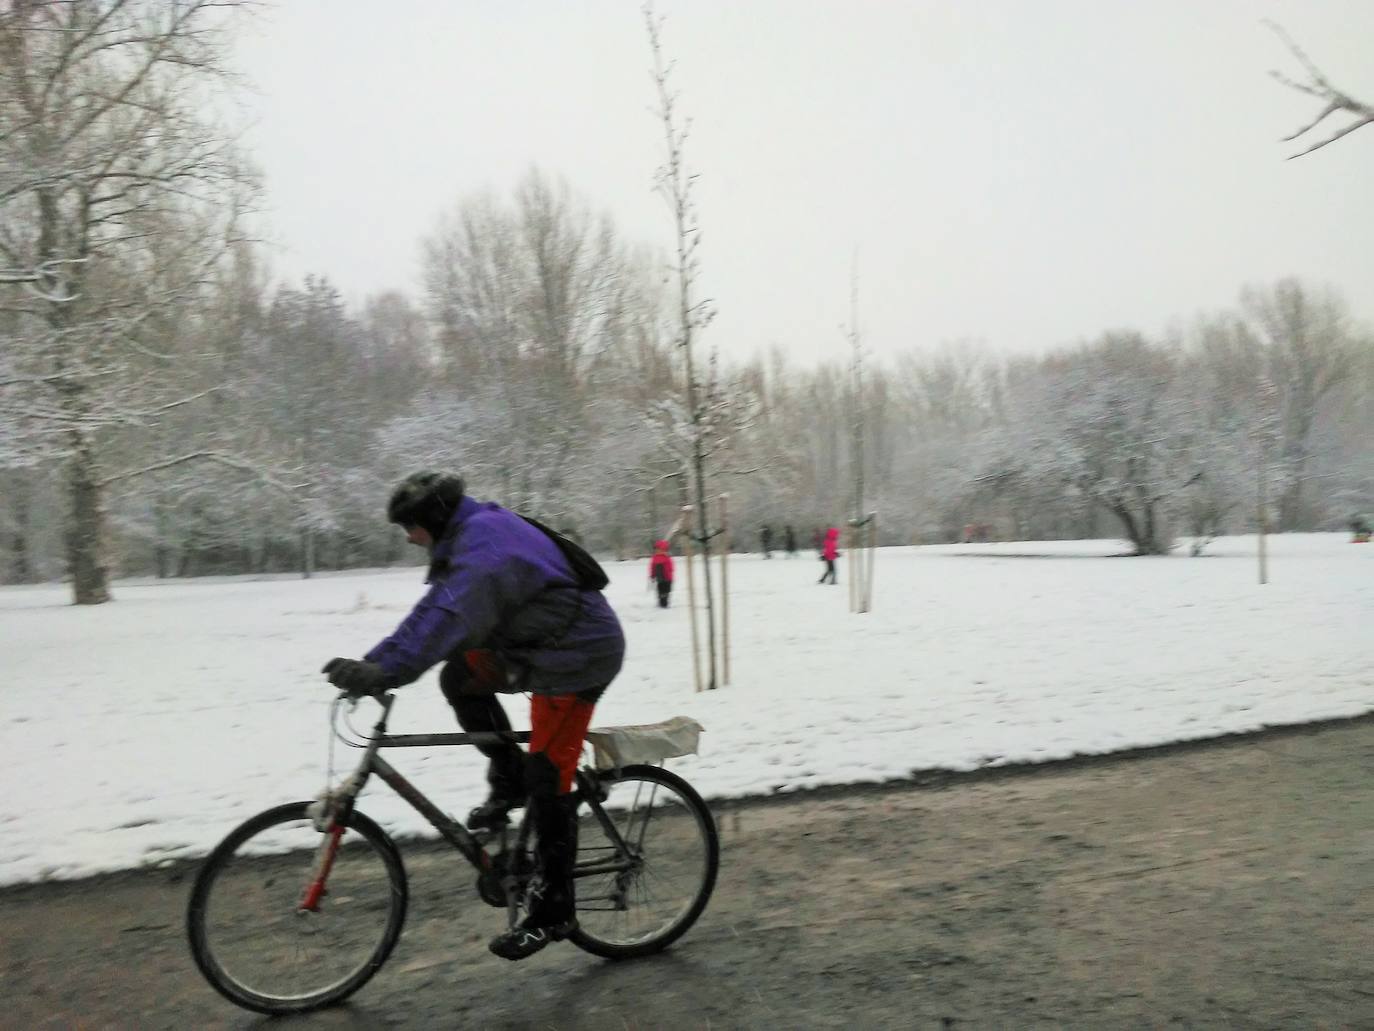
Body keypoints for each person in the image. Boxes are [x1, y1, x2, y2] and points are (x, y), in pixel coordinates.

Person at [321, 472, 625, 962]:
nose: (407, 537)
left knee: (550, 773)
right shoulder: (469, 537)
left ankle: (555, 910)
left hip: (577, 655)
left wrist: (386, 671)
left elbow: (450, 617)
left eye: (411, 526)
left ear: (434, 519)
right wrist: (376, 662)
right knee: (459, 677)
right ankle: (509, 777)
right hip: (533, 648)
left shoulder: (486, 549)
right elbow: (432, 610)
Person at [648, 538, 675, 607]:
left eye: (659, 549)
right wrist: (652, 575)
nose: (657, 551)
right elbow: (652, 567)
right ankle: (662, 601)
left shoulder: (667, 557)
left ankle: (664, 600)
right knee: (660, 590)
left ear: (664, 549)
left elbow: (671, 568)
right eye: (656, 549)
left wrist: (669, 572)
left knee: (666, 591)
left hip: (667, 578)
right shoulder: (655, 558)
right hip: (660, 578)